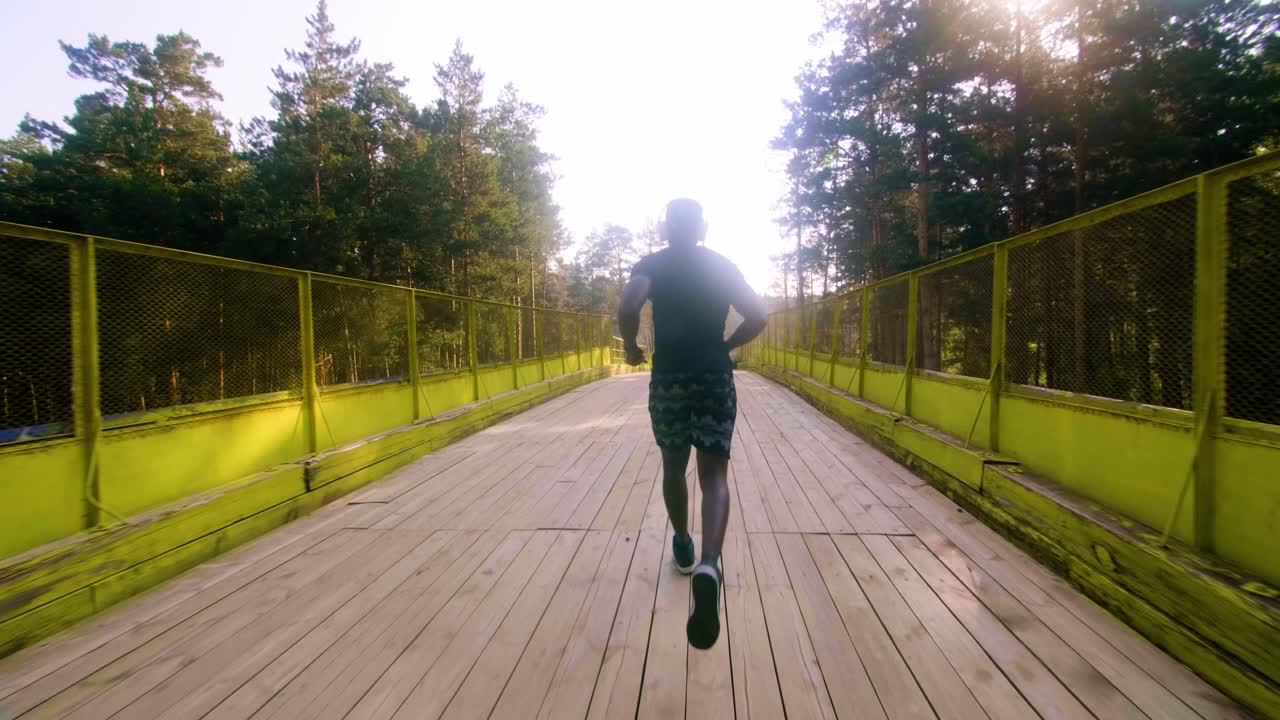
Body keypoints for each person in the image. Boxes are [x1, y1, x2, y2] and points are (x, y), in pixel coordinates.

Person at [617, 198, 767, 650]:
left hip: (670, 376)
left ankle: (682, 542)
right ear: (702, 226)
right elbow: (758, 315)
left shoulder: (652, 265)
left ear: (666, 227)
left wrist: (630, 345)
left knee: (672, 464)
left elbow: (629, 305)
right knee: (714, 474)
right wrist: (726, 345)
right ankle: (708, 562)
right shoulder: (721, 265)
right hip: (713, 373)